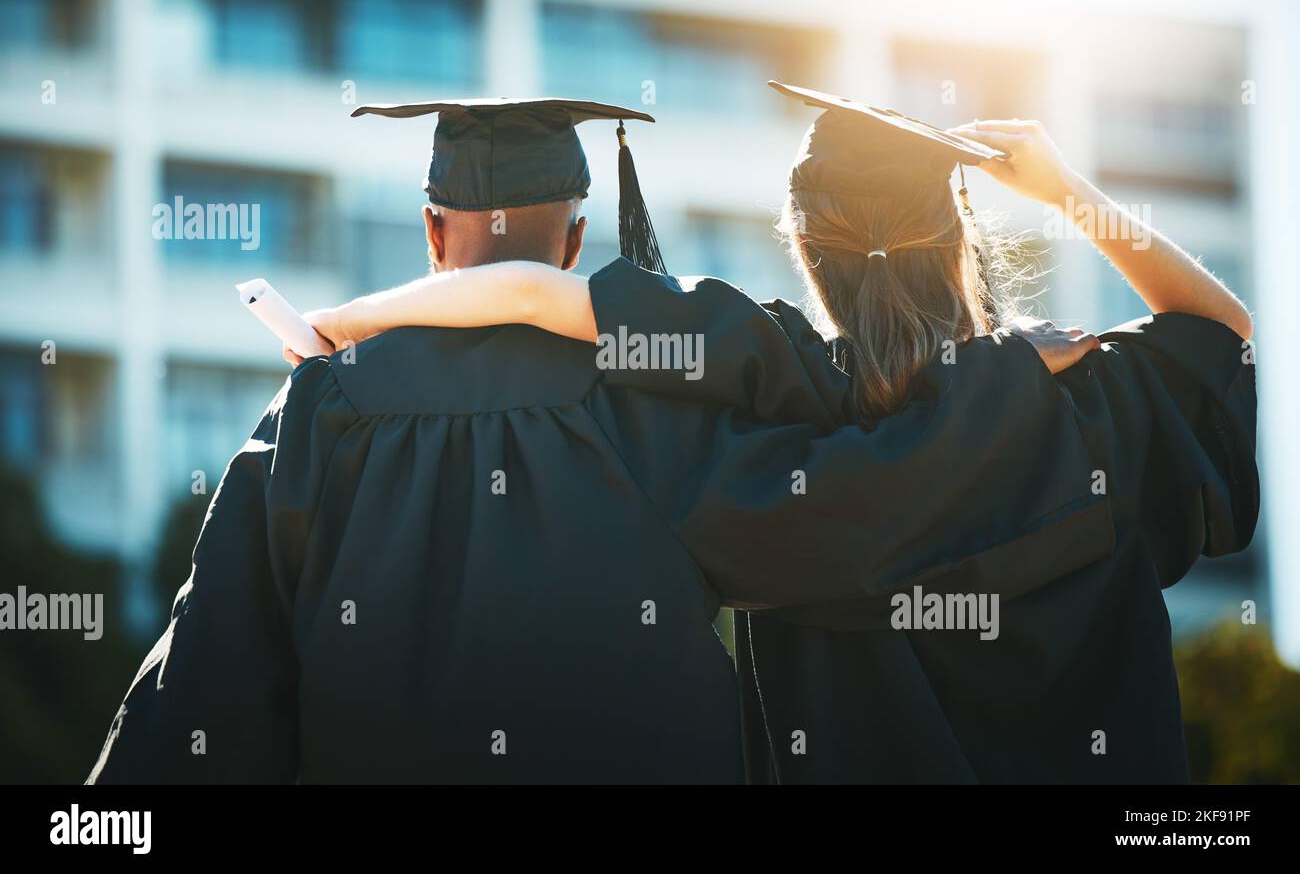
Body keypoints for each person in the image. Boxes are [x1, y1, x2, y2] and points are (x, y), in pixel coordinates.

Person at [89, 96, 1086, 784]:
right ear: (576, 238)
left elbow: (208, 689)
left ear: (435, 233)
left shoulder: (319, 409)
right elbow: (852, 513)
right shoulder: (660, 394)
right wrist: (986, 384)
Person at [296, 84, 1258, 782]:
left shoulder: (776, 418)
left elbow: (539, 296)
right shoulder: (1092, 402)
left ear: (804, 249)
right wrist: (1061, 188)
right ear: (959, 240)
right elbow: (1221, 330)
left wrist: (354, 322)